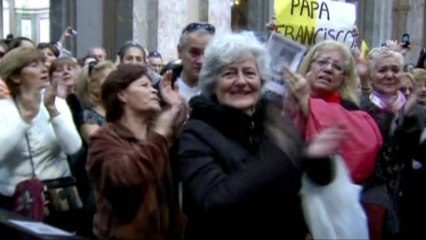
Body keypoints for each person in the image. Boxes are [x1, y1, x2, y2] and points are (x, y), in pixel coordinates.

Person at [179, 31, 347, 240]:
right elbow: (216, 203)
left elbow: (318, 179)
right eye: (229, 74)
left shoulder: (272, 117)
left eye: (249, 73)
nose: (241, 81)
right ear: (213, 83)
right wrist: (279, 154)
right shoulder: (197, 132)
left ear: (261, 81)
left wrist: (313, 156)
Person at [87, 64, 187, 239]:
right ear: (122, 94)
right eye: (144, 86)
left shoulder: (155, 134)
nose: (154, 91)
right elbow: (126, 178)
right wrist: (161, 132)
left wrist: (177, 109)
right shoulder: (104, 140)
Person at [284, 40, 382, 184]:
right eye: (322, 62)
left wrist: (307, 103)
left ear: (343, 79)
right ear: (308, 65)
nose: (328, 69)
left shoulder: (351, 108)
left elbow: (361, 153)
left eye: (337, 67)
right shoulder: (284, 98)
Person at [0, 47, 82, 210]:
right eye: (33, 65)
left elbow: (73, 147)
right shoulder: (3, 109)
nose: (44, 68)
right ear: (16, 77)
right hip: (14, 200)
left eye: (42, 63)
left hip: (59, 195)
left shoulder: (56, 102)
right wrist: (25, 118)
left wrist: (52, 110)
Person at [360, 47, 422, 240]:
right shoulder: (360, 108)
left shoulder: (418, 111)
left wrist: (406, 118)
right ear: (370, 75)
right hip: (369, 199)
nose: (390, 75)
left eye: (395, 70)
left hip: (409, 201)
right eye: (382, 70)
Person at [175, 22, 215, 100]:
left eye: (207, 53)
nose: (201, 61)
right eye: (194, 53)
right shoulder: (160, 89)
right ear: (180, 51)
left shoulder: (220, 93)